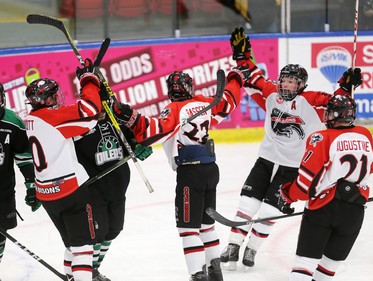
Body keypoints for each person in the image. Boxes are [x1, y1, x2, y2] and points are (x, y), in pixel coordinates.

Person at [220, 27, 363, 271]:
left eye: (291, 81)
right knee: (248, 202)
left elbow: (335, 102)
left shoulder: (311, 100)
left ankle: (252, 247)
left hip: (292, 167)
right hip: (265, 160)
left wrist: (345, 86)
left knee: (269, 208)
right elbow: (253, 77)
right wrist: (242, 54)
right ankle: (233, 244)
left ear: (301, 85)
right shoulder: (271, 93)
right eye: (283, 79)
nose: (285, 84)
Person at [111, 67, 246, 280]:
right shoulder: (204, 102)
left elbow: (154, 130)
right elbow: (229, 99)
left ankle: (197, 276)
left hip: (190, 175)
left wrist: (127, 114)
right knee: (206, 226)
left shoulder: (174, 109)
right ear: (189, 87)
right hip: (211, 170)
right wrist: (235, 77)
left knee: (188, 229)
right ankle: (215, 273)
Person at [280, 94, 373, 280]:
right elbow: (371, 167)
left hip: (323, 208)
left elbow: (305, 183)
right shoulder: (365, 134)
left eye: (329, 112)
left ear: (334, 115)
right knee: (328, 268)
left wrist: (288, 195)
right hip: (355, 211)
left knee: (304, 265)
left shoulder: (321, 138)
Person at [24, 58, 103, 281]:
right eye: (53, 95)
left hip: (47, 195)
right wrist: (89, 80)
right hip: (70, 191)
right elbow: (89, 109)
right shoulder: (54, 116)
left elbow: (76, 127)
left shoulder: (32, 119)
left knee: (71, 244)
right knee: (84, 249)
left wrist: (91, 120)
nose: (58, 98)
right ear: (44, 99)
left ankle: (70, 277)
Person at [73, 103, 153, 281]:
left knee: (114, 230)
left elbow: (133, 141)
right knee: (95, 235)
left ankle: (93, 269)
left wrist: (140, 146)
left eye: (102, 106)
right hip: (94, 190)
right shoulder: (78, 126)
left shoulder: (116, 121)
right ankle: (86, 272)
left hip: (118, 187)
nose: (100, 111)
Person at [0, 82, 41, 276]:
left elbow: (23, 156)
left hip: (3, 191)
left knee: (1, 234)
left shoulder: (13, 121)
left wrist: (32, 185)